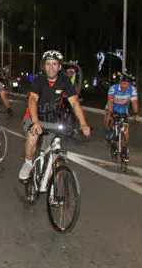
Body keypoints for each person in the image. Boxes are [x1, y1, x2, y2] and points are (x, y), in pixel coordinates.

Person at [18, 50, 91, 181]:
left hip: (52, 119)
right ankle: (28, 162)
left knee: (55, 153)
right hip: (34, 117)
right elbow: (32, 100)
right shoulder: (39, 81)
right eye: (48, 64)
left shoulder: (65, 81)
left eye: (54, 64)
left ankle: (53, 189)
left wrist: (83, 124)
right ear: (43, 66)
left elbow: (74, 102)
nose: (51, 68)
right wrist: (35, 122)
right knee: (33, 136)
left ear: (59, 66)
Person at [104, 73, 138, 160]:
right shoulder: (113, 88)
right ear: (120, 82)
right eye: (123, 83)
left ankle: (123, 151)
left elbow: (134, 102)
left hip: (123, 110)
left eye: (126, 84)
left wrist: (135, 113)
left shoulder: (132, 89)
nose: (124, 86)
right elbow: (110, 101)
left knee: (125, 132)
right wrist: (111, 113)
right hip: (112, 108)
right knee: (108, 118)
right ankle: (109, 132)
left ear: (129, 84)